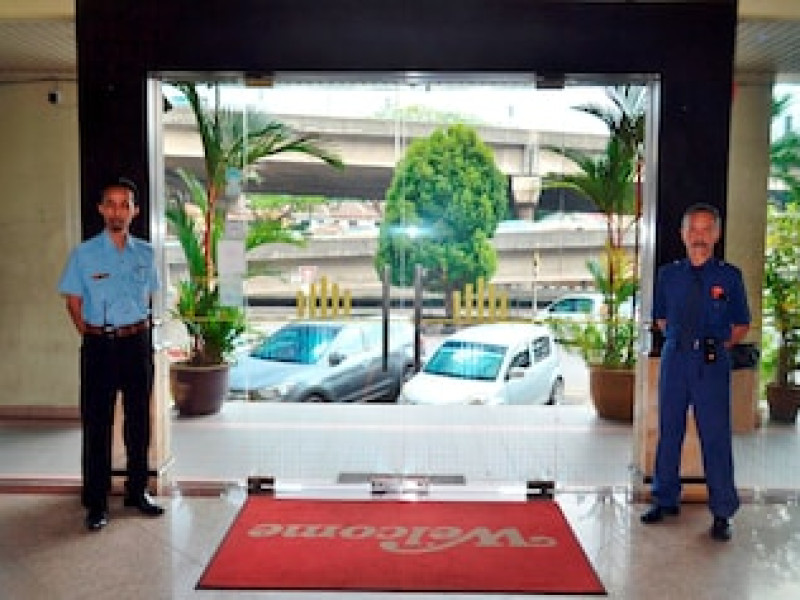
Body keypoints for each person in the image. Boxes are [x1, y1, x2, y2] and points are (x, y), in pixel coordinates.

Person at [58, 177, 165, 531]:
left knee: (139, 421)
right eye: (111, 204)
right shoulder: (84, 254)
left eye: (125, 205)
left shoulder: (146, 253)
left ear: (135, 211)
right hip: (100, 346)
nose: (118, 211)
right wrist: (94, 334)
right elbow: (73, 303)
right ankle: (96, 502)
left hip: (137, 344)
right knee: (97, 424)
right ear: (101, 210)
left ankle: (138, 491)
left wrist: (134, 329)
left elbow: (147, 296)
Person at [641, 202, 750, 541]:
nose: (699, 236)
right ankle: (665, 499)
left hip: (711, 364)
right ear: (683, 234)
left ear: (716, 234)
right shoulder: (668, 275)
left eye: (706, 230)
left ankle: (722, 512)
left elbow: (741, 324)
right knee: (669, 431)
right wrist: (682, 343)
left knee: (715, 437)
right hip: (675, 359)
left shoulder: (729, 277)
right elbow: (661, 319)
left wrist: (713, 346)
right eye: (693, 229)